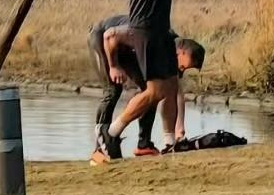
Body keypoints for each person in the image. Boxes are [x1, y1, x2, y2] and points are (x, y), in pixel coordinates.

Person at [93, 0, 200, 161]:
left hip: (161, 32)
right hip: (145, 33)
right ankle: (111, 132)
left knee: (171, 85)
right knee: (153, 91)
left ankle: (170, 143)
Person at [87, 13, 206, 162]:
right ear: (180, 52)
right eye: (182, 66)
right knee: (113, 91)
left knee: (151, 90)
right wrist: (113, 66)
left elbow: (176, 91)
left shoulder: (170, 54)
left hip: (126, 49)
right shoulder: (156, 37)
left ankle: (144, 145)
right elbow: (110, 36)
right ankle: (101, 146)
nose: (181, 70)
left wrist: (179, 130)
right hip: (103, 38)